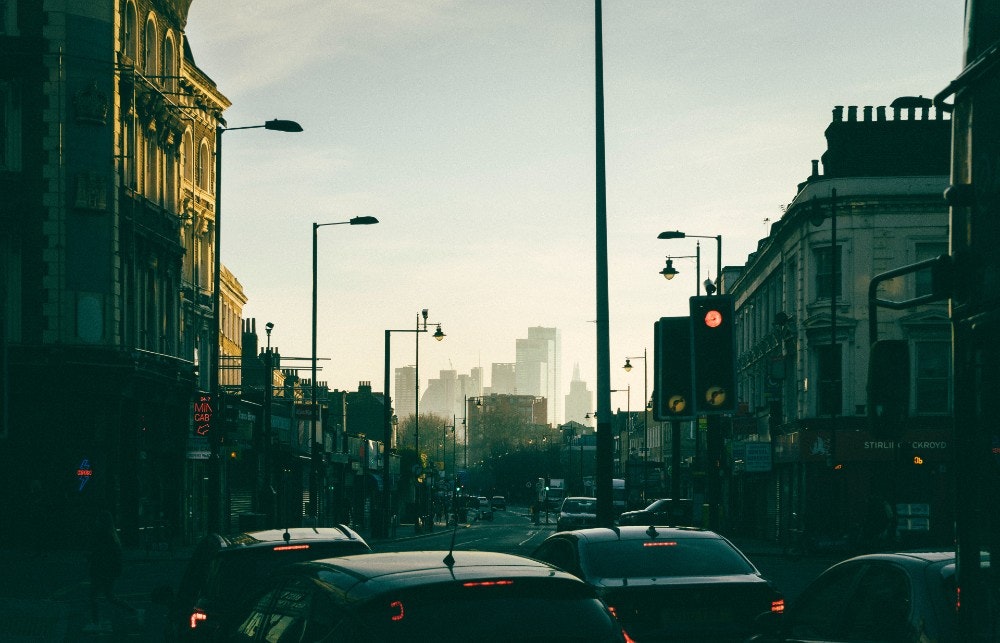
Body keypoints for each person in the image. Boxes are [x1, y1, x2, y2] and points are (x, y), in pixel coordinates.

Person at [85, 510, 136, 631]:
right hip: (108, 571)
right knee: (109, 596)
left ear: (101, 522)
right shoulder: (112, 535)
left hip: (101, 570)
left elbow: (100, 554)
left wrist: (90, 557)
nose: (96, 522)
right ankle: (132, 610)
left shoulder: (103, 536)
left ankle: (95, 622)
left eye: (98, 520)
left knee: (94, 596)